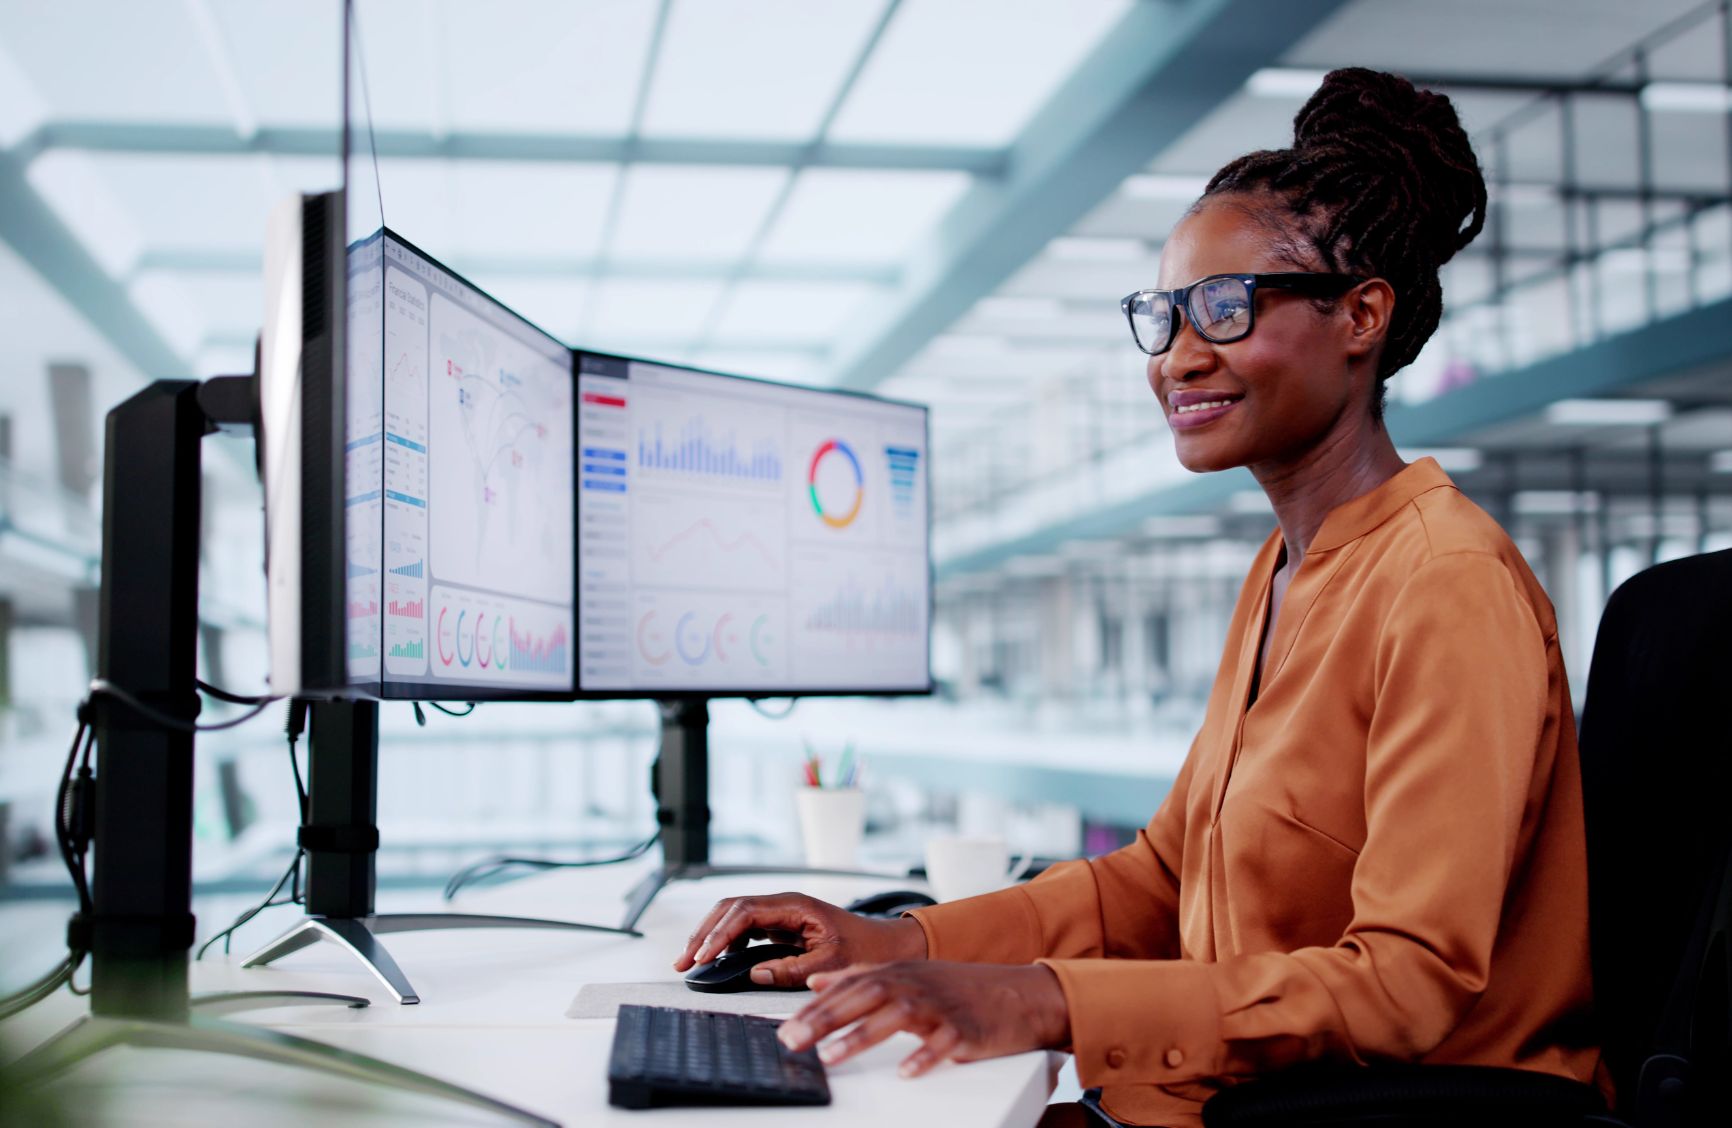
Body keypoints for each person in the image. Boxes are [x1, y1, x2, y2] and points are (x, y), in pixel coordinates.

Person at [672, 68, 1606, 1128]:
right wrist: (895, 940)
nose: (1178, 358)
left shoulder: (1446, 583)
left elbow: (1405, 985)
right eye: (1163, 318)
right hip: (1227, 1099)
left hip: (1389, 1121)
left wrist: (1042, 1001)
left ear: (1361, 315)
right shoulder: (1286, 567)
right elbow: (1160, 878)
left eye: (1226, 309)